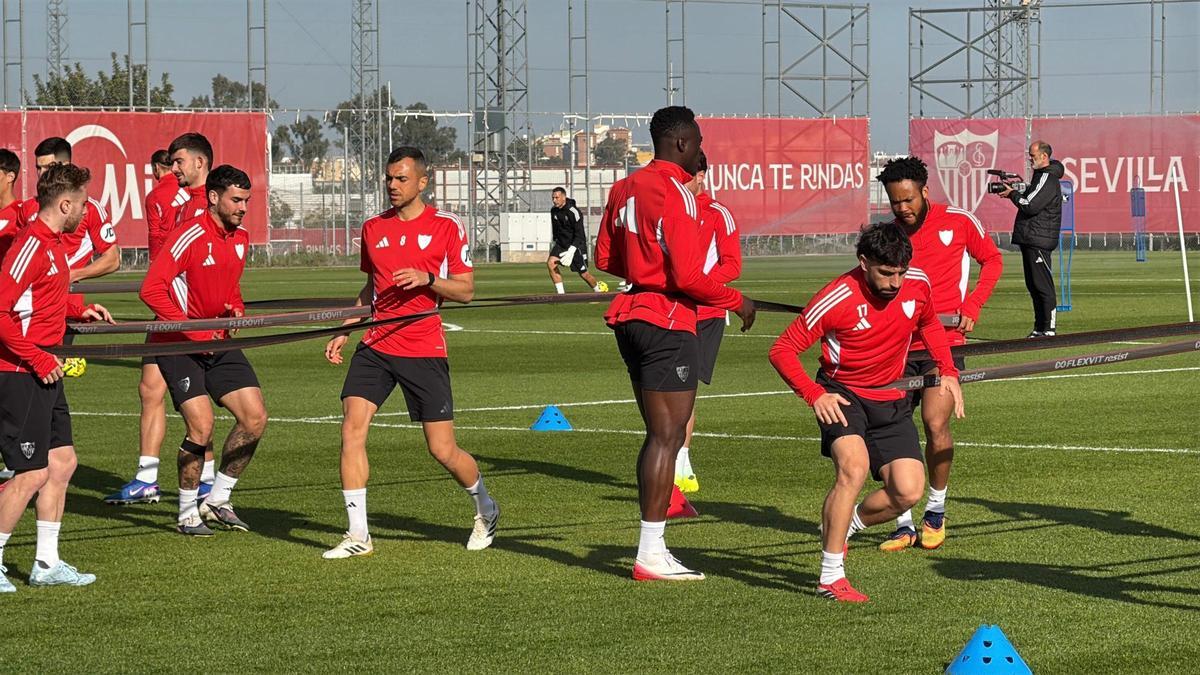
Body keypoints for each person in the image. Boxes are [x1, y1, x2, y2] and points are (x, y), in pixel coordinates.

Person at [595, 105, 755, 582]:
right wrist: (738, 301)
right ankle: (651, 551)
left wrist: (646, 270)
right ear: (683, 144)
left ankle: (654, 545)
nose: (700, 154)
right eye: (699, 144)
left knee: (658, 435)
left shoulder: (623, 187)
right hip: (667, 319)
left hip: (630, 316)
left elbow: (606, 256)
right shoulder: (678, 193)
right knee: (666, 436)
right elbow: (689, 277)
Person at [768, 222, 964, 602]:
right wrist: (814, 394)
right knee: (853, 469)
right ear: (863, 263)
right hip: (843, 395)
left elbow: (929, 324)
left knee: (907, 491)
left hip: (890, 399)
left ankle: (846, 525)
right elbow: (782, 350)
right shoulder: (837, 296)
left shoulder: (917, 285)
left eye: (900, 273)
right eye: (885, 273)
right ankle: (830, 575)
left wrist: (949, 370)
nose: (894, 282)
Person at [322, 146, 499, 559]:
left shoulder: (447, 227)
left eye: (401, 179)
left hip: (422, 346)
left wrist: (428, 278)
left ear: (423, 181)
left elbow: (467, 291)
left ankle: (486, 508)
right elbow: (371, 289)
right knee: (351, 428)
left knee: (442, 449)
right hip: (376, 344)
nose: (392, 186)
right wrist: (346, 330)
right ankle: (358, 535)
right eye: (388, 178)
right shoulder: (372, 229)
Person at [875, 156, 1002, 551]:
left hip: (943, 342)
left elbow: (993, 260)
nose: (903, 208)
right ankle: (902, 522)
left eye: (909, 199)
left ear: (925, 192)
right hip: (895, 346)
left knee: (934, 421)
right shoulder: (886, 236)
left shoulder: (959, 220)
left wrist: (973, 305)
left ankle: (935, 511)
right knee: (892, 434)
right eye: (895, 202)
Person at [0, 163, 115, 591]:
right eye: (82, 203)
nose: (86, 212)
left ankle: (46, 564)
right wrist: (35, 357)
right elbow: (1, 312)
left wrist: (75, 309)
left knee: (62, 463)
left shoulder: (53, 246)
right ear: (65, 204)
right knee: (29, 473)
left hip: (45, 368)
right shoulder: (31, 243)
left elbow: (44, 296)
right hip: (20, 371)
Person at [139, 165, 267, 536]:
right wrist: (191, 332)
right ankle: (186, 513)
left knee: (255, 418)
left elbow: (230, 289)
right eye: (236, 200)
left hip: (219, 342)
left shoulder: (240, 239)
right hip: (179, 344)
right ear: (213, 197)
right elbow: (151, 289)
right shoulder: (189, 234)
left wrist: (236, 309)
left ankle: (218, 500)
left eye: (247, 200)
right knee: (202, 425)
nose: (244, 207)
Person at [105, 135, 217, 506]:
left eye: (179, 161)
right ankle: (147, 477)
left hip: (189, 315)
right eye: (170, 163)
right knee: (150, 389)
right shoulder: (184, 203)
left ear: (199, 163)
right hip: (168, 306)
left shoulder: (205, 203)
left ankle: (206, 481)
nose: (173, 169)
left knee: (194, 402)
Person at [22, 137, 121, 378]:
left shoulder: (89, 209)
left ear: (66, 166)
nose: (41, 174)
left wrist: (72, 274)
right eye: (38, 168)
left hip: (65, 302)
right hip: (29, 303)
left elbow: (112, 259)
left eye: (49, 167)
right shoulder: (27, 208)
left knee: (50, 371)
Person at [676, 151, 741, 495]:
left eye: (687, 174)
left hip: (706, 314)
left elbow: (732, 265)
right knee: (666, 390)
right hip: (669, 310)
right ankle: (672, 461)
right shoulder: (670, 208)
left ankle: (681, 463)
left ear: (701, 176)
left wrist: (698, 284)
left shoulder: (718, 213)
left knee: (686, 391)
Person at [995, 140, 1064, 338]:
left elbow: (1030, 205)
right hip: (1032, 237)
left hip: (1039, 239)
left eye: (1033, 156)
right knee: (1033, 285)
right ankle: (1039, 327)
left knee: (1043, 286)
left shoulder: (1047, 178)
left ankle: (1049, 328)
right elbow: (1031, 199)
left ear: (1044, 156)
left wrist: (1012, 194)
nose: (1030, 159)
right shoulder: (1040, 177)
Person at [548, 187, 606, 293]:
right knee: (551, 263)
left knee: (584, 274)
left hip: (576, 245)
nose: (554, 200)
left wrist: (571, 250)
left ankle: (598, 291)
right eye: (553, 198)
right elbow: (555, 228)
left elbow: (579, 234)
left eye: (557, 197)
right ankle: (561, 294)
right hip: (561, 244)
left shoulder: (573, 211)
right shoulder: (554, 211)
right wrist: (555, 240)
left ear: (564, 197)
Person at [145, 148, 182, 263]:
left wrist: (153, 260)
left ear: (156, 167)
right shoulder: (188, 187)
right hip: (191, 250)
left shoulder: (153, 196)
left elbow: (155, 233)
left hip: (168, 253)